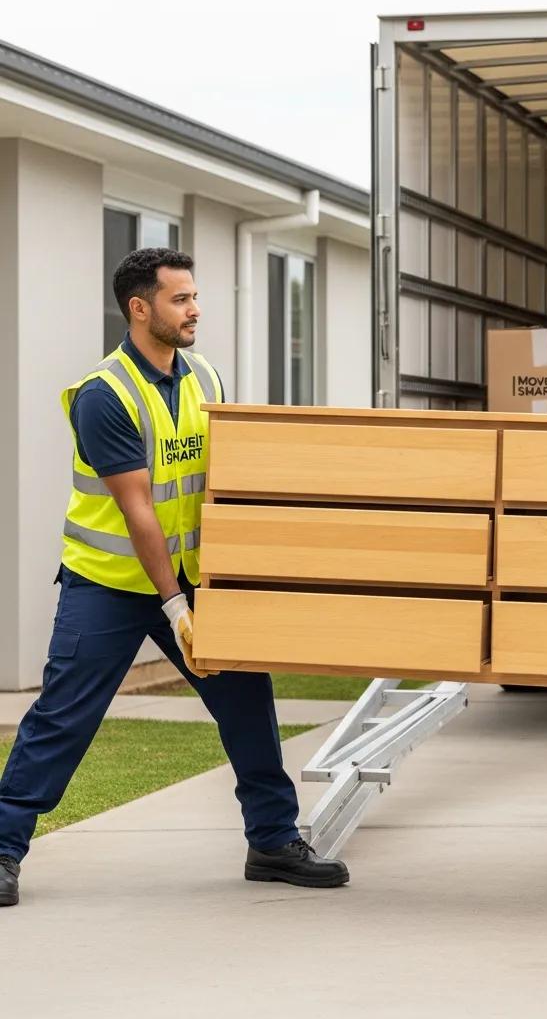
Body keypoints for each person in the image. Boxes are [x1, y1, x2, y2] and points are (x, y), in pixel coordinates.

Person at [0, 248, 347, 908]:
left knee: (247, 700)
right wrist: (174, 608)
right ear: (139, 308)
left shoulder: (204, 377)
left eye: (194, 296)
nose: (195, 309)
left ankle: (272, 840)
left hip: (192, 577)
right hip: (108, 584)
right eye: (180, 299)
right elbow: (138, 513)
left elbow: (222, 480)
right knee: (65, 716)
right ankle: (2, 847)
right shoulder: (104, 396)